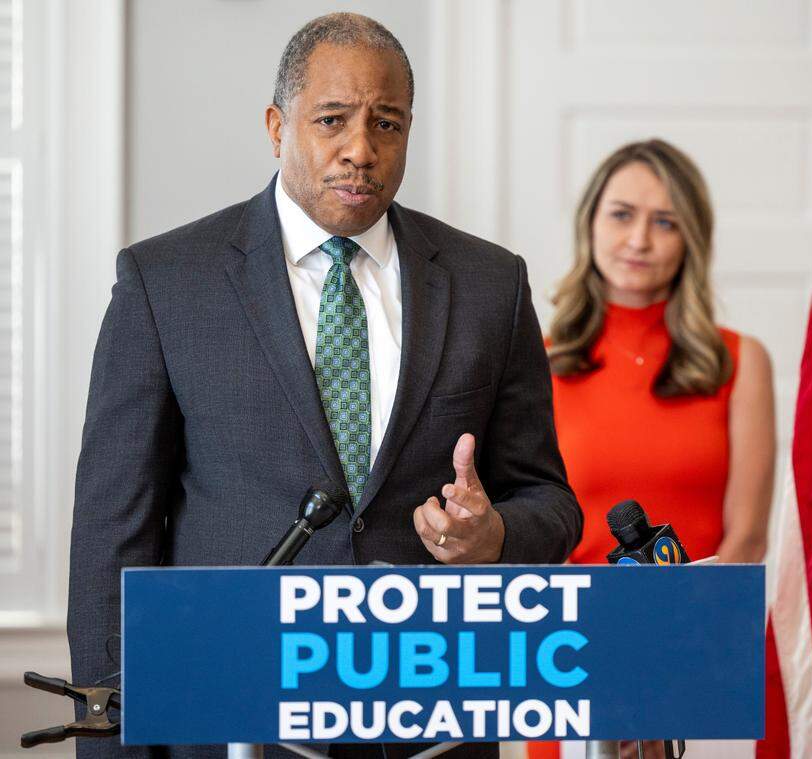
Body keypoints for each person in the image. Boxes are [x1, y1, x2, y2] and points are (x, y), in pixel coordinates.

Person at [66, 13, 580, 759]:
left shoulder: (489, 285)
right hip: (230, 719)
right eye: (332, 120)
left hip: (433, 727)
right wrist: (114, 742)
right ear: (278, 126)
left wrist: (493, 533)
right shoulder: (166, 283)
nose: (360, 150)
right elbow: (112, 537)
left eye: (388, 123)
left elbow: (550, 502)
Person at [535, 139, 775, 759]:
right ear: (589, 222)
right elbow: (531, 534)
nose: (639, 239)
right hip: (571, 660)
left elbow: (744, 542)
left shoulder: (741, 363)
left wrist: (672, 666)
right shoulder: (535, 360)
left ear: (691, 238)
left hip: (702, 654)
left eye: (664, 221)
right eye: (621, 214)